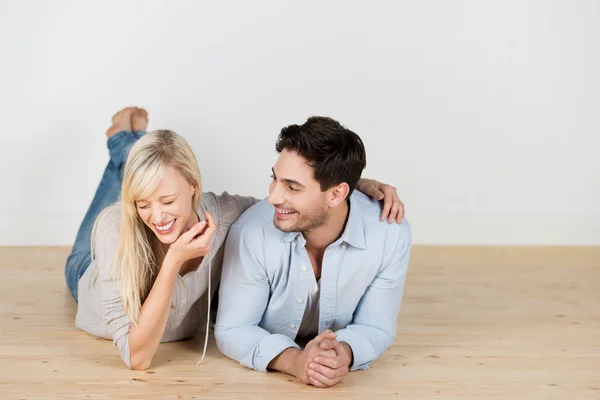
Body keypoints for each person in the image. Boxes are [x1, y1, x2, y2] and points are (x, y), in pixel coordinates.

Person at [65, 107, 406, 370]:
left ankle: (130, 143)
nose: (156, 215)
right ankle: (122, 139)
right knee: (124, 196)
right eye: (144, 205)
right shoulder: (115, 229)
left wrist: (351, 185)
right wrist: (172, 261)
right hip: (88, 274)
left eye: (169, 201)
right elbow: (137, 358)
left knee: (149, 181)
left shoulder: (225, 215)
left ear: (195, 188)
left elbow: (300, 207)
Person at [215, 116, 412, 388]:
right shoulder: (252, 233)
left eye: (292, 187)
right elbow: (233, 329)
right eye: (275, 179)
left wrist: (344, 355)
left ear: (336, 194)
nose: (272, 196)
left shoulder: (389, 234)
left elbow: (377, 327)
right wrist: (295, 362)